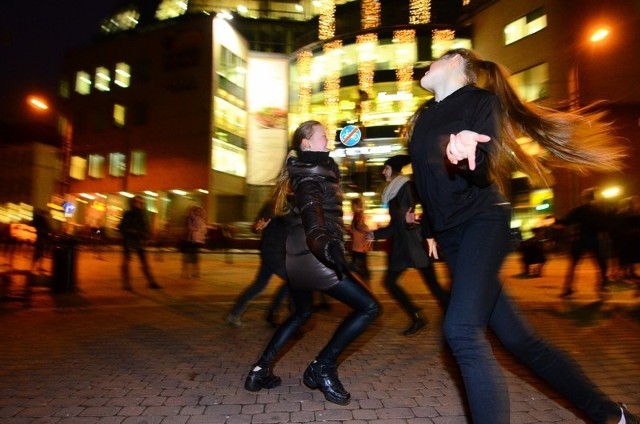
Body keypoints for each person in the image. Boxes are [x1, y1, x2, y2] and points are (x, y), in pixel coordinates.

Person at [405, 48, 636, 423]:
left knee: (462, 331)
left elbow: (483, 171)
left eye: (433, 61)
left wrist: (470, 156)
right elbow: (425, 178)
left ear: (454, 62)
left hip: (483, 221)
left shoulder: (481, 102)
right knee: (519, 341)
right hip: (451, 235)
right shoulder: (425, 115)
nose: (425, 68)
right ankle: (611, 414)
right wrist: (430, 228)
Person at [243, 120, 381, 406]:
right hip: (316, 257)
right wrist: (326, 244)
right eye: (322, 136)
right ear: (306, 143)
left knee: (301, 314)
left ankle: (260, 371)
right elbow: (312, 216)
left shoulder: (311, 171)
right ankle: (323, 366)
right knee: (370, 307)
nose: (327, 138)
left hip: (297, 259)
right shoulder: (309, 176)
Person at [370, 154, 449, 336]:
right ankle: (418, 317)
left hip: (414, 245)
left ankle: (447, 316)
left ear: (394, 170)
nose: (383, 172)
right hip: (405, 245)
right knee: (393, 283)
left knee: (432, 285)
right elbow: (398, 223)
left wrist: (377, 233)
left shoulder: (404, 186)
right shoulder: (394, 189)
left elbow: (402, 220)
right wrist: (374, 234)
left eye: (386, 168)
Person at [226, 200, 290, 327]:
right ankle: (275, 313)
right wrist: (258, 225)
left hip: (276, 253)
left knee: (259, 285)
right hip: (273, 253)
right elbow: (257, 225)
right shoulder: (275, 204)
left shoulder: (296, 204)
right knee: (295, 281)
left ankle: (234, 314)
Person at [556, 188, 610, 297]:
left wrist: (557, 221)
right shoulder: (598, 210)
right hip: (593, 239)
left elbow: (567, 221)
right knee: (601, 264)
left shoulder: (580, 210)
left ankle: (568, 288)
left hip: (581, 239)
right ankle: (602, 286)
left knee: (574, 265)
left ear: (584, 198)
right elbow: (605, 225)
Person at [118, 195, 161, 291]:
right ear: (133, 203)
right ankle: (126, 283)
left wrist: (146, 235)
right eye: (138, 202)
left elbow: (145, 227)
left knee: (144, 263)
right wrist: (133, 231)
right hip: (129, 240)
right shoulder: (128, 213)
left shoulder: (143, 214)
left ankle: (151, 282)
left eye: (142, 202)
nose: (140, 204)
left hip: (139, 241)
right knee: (126, 262)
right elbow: (121, 227)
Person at [348, 197, 371, 282]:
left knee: (362, 263)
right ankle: (358, 277)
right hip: (356, 244)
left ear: (359, 206)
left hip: (361, 244)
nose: (353, 207)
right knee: (356, 262)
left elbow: (367, 228)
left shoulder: (362, 216)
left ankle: (365, 278)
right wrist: (350, 229)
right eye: (352, 206)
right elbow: (354, 228)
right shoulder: (355, 216)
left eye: (354, 205)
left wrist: (360, 227)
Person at [182, 206, 207, 278]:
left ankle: (195, 272)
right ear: (193, 211)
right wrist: (197, 230)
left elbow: (203, 228)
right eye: (197, 211)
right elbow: (190, 227)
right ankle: (186, 273)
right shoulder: (191, 218)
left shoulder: (200, 219)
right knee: (188, 257)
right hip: (189, 240)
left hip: (197, 240)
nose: (198, 212)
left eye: (200, 211)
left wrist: (201, 233)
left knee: (196, 257)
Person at [30, 208, 51, 273]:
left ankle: (35, 266)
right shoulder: (42, 219)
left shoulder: (37, 219)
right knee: (39, 253)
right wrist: (48, 232)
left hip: (40, 237)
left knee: (38, 253)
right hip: (42, 237)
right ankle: (36, 267)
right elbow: (47, 228)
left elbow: (35, 226)